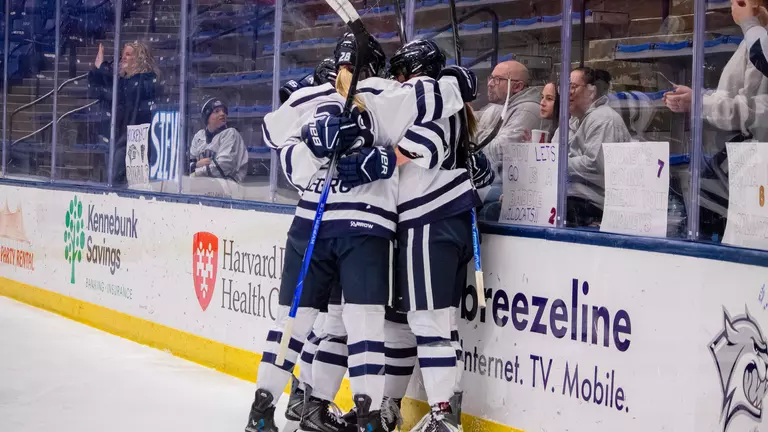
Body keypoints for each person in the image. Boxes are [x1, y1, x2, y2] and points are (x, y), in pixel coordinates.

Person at [244, 31, 477, 432]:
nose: (401, 76)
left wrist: (316, 143)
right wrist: (458, 80)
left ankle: (268, 410)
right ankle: (368, 415)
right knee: (370, 325)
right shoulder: (385, 93)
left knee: (311, 323)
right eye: (396, 69)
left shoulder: (322, 95)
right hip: (370, 227)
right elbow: (440, 104)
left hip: (328, 223)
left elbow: (271, 132)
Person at [554, 67, 630, 227]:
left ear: (592, 91)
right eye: (564, 87)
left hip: (594, 204)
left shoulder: (604, 119)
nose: (567, 93)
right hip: (572, 197)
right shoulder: (570, 122)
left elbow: (595, 165)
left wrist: (559, 163)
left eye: (573, 87)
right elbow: (549, 156)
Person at [87, 41, 159, 185]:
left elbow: (127, 91)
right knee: (115, 181)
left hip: (135, 142)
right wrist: (97, 69)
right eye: (122, 55)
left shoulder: (146, 80)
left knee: (126, 182)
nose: (123, 58)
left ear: (139, 58)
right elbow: (98, 90)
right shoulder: (124, 82)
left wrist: (102, 68)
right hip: (119, 139)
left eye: (128, 54)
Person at [188, 98, 249, 183]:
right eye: (216, 111)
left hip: (228, 189)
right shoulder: (199, 136)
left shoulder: (231, 133)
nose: (222, 114)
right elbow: (188, 163)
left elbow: (223, 166)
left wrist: (196, 172)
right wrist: (196, 165)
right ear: (207, 117)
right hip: (203, 187)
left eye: (224, 111)